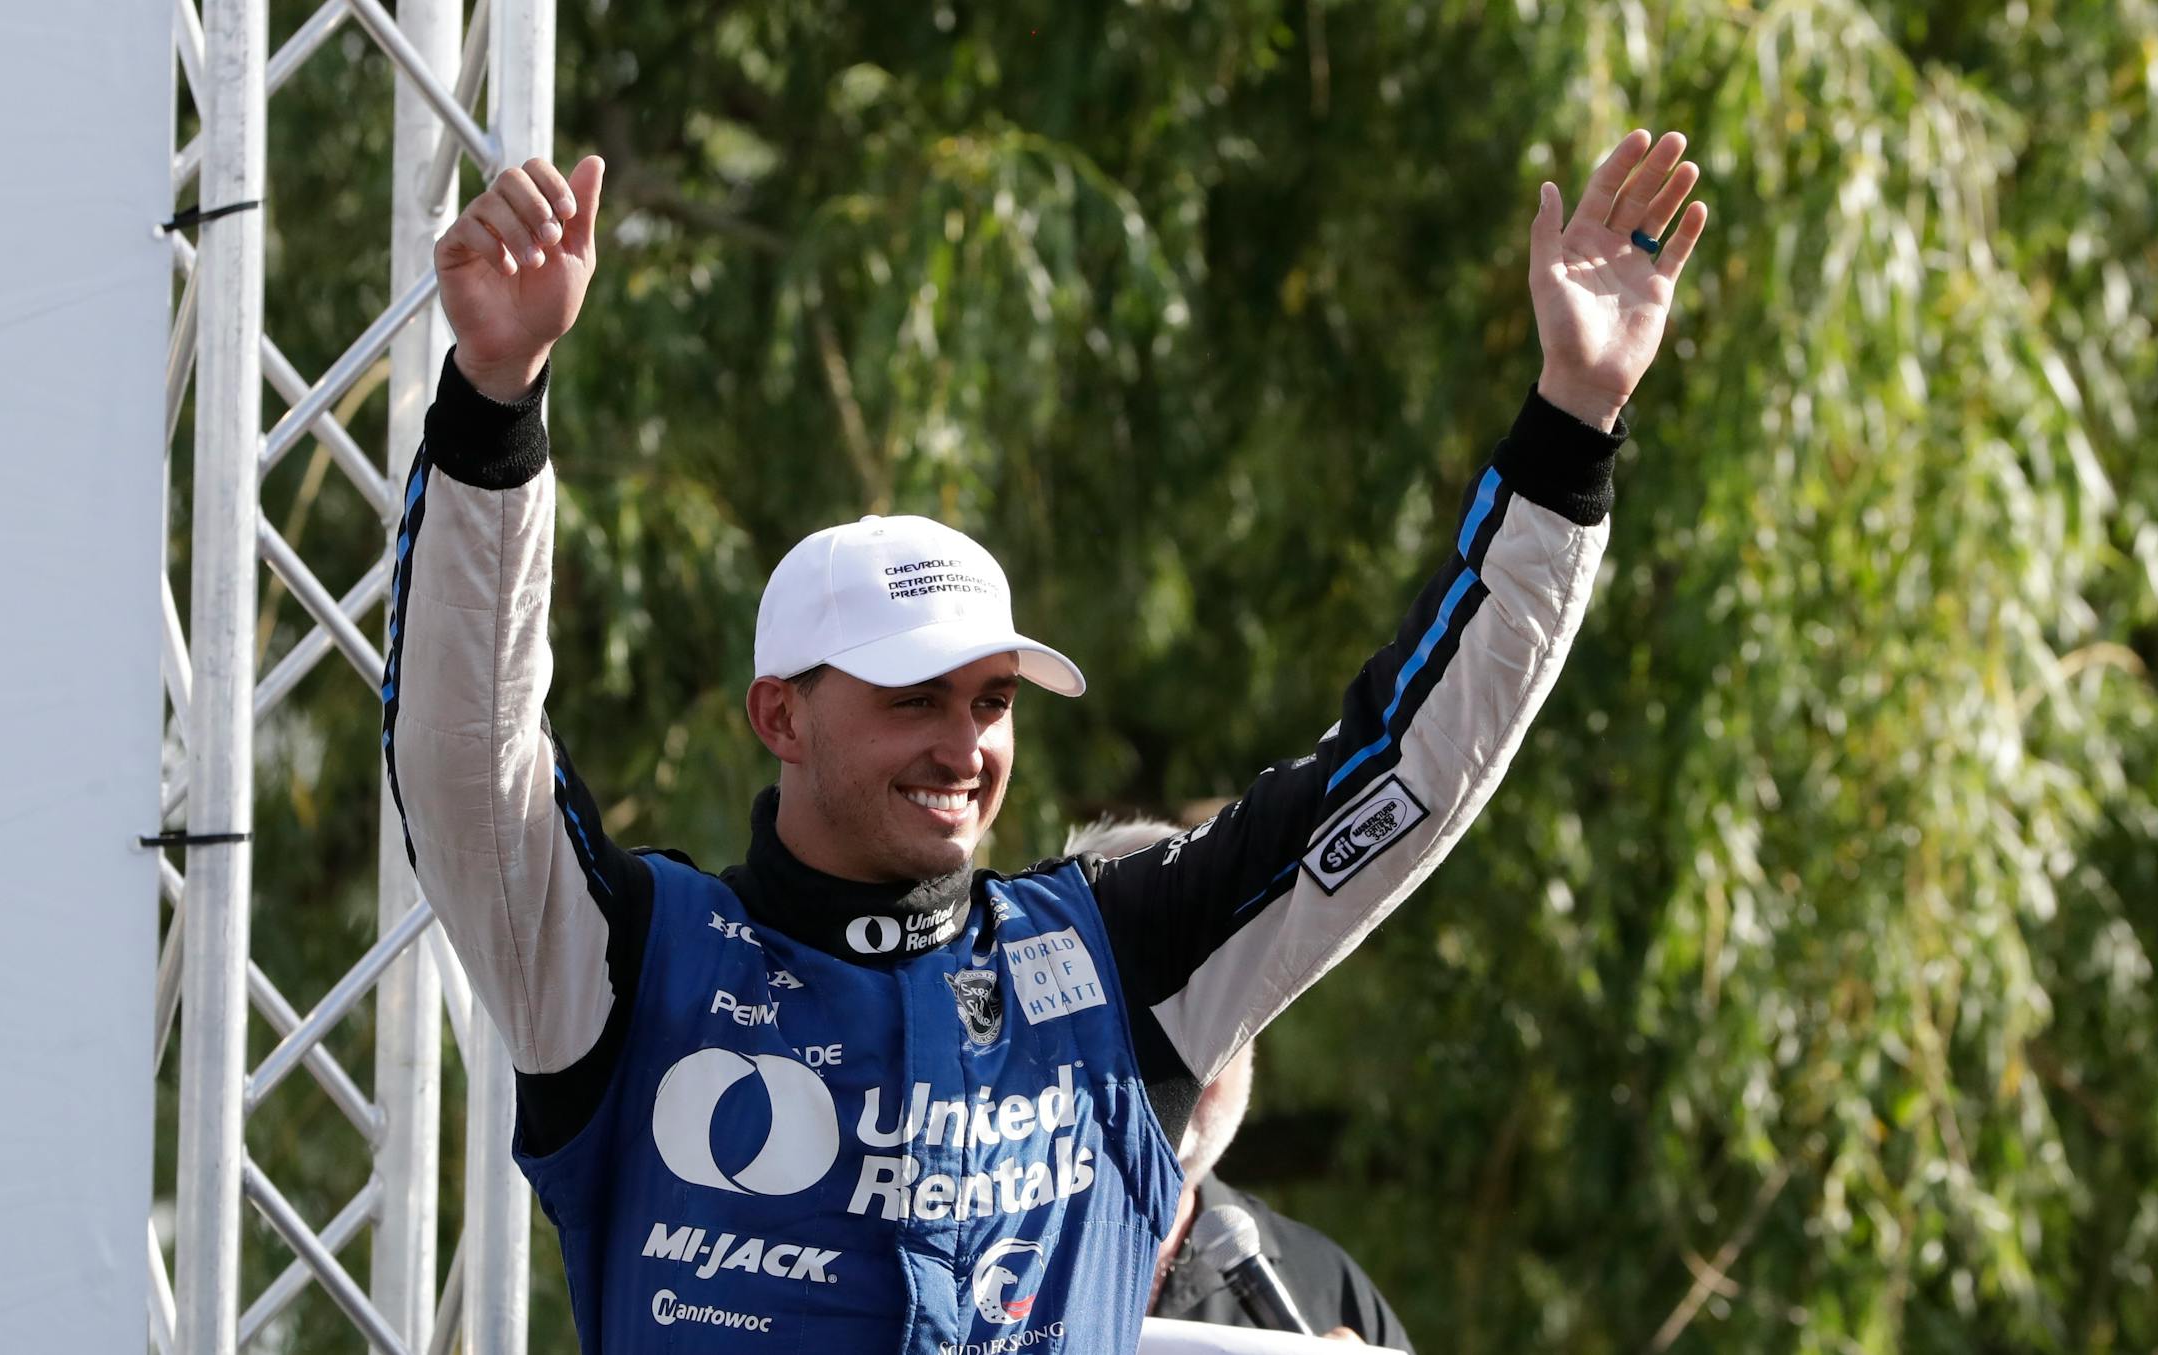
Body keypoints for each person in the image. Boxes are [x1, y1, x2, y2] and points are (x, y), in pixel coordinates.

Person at [385, 129, 1707, 1354]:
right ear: (780, 713)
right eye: (913, 697)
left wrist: (1572, 422)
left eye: (994, 700)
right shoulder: (628, 958)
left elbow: (1412, 765)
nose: (964, 743)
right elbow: (465, 749)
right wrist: (496, 402)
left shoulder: (1112, 959)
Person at [1067, 818, 1414, 1351]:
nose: (1175, 1053)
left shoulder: (1325, 1289)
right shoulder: (954, 1258)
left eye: (1209, 1005)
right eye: (1131, 1000)